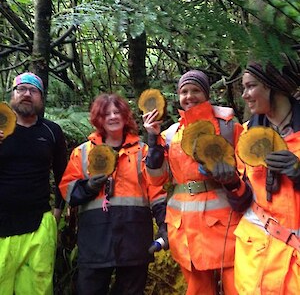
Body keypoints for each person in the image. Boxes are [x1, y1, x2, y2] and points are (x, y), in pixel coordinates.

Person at [143, 70, 251, 295]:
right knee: (197, 290)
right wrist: (153, 141)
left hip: (225, 228)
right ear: (178, 96)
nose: (189, 96)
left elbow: (246, 174)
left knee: (239, 288)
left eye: (196, 91)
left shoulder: (229, 127)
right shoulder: (172, 134)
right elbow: (157, 179)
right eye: (184, 92)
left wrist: (227, 176)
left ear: (207, 94)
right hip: (185, 230)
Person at [59, 93, 168, 295]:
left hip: (134, 240)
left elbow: (157, 190)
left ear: (125, 116)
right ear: (98, 119)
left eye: (117, 112)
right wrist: (89, 187)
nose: (112, 117)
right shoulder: (83, 153)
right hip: (95, 242)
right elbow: (68, 191)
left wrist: (164, 224)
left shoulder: (142, 152)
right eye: (106, 113)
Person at [232, 58, 300, 294]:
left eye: (251, 87)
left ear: (273, 86)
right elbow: (244, 199)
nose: (245, 95)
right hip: (255, 259)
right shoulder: (248, 131)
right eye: (243, 88)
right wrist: (230, 183)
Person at [0, 72, 67, 294]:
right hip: (2, 224)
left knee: (37, 289)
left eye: (33, 90)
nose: (27, 94)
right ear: (12, 95)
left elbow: (62, 176)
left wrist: (57, 213)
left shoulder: (51, 131)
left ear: (41, 98)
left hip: (39, 224)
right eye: (21, 89)